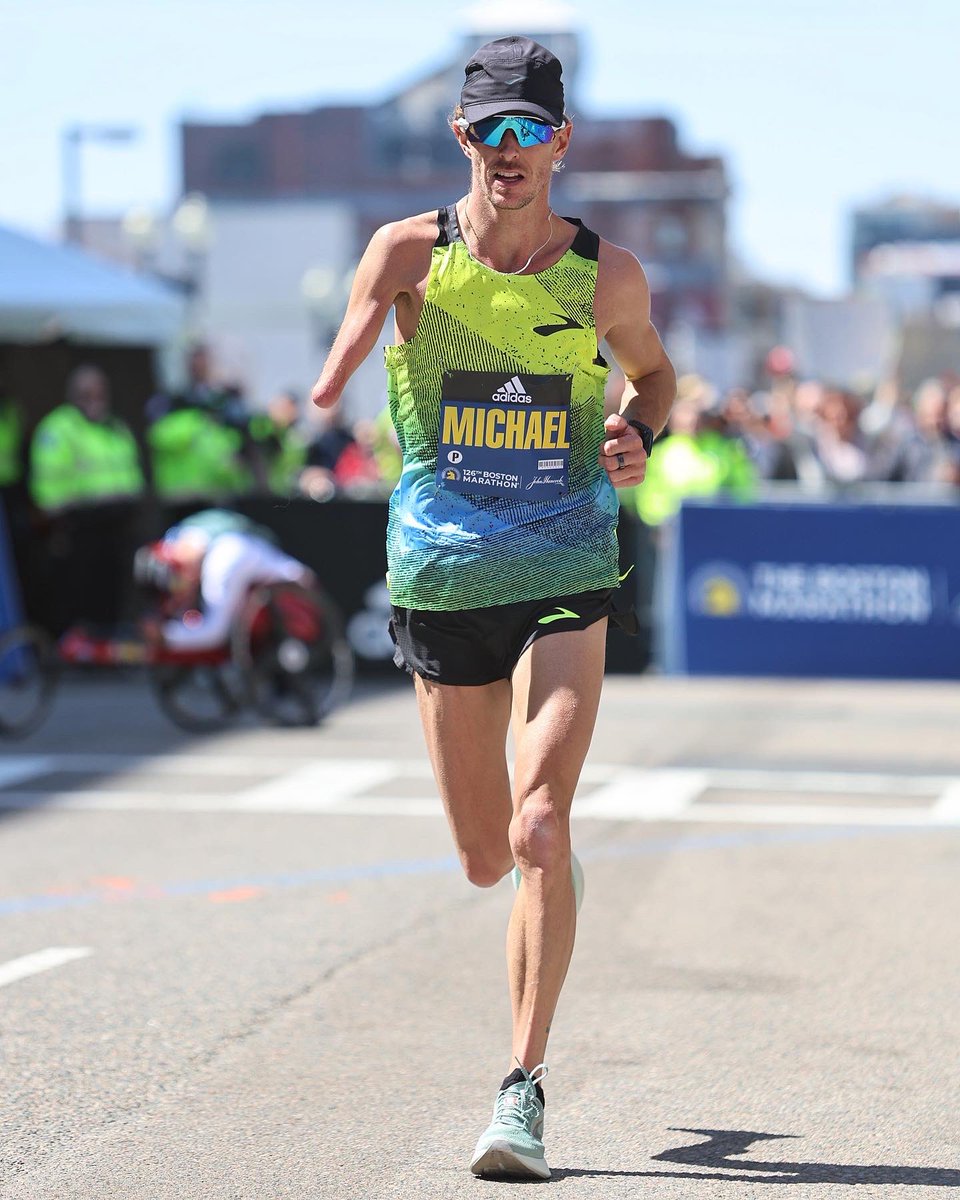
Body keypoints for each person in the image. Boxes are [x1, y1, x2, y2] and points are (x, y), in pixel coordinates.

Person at [310, 35, 675, 1180]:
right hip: (444, 570)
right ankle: (538, 881)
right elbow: (337, 368)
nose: (507, 150)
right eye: (487, 130)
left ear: (561, 140)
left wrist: (639, 432)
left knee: (539, 827)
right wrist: (341, 362)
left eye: (528, 129)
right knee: (482, 854)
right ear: (461, 138)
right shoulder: (410, 252)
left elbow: (656, 376)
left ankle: (521, 1090)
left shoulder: (605, 274)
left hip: (568, 555)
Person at [29, 364, 145, 633]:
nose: (94, 399)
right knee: (79, 590)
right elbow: (48, 483)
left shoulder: (115, 427)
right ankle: (78, 647)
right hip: (78, 524)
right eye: (86, 393)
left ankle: (107, 642)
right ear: (73, 395)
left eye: (99, 392)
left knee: (113, 589)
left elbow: (131, 470)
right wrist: (62, 513)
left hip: (117, 523)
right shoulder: (59, 428)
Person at [133, 509, 313, 652]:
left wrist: (165, 636)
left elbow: (214, 633)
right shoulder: (179, 537)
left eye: (178, 579)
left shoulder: (225, 559)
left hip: (294, 604)